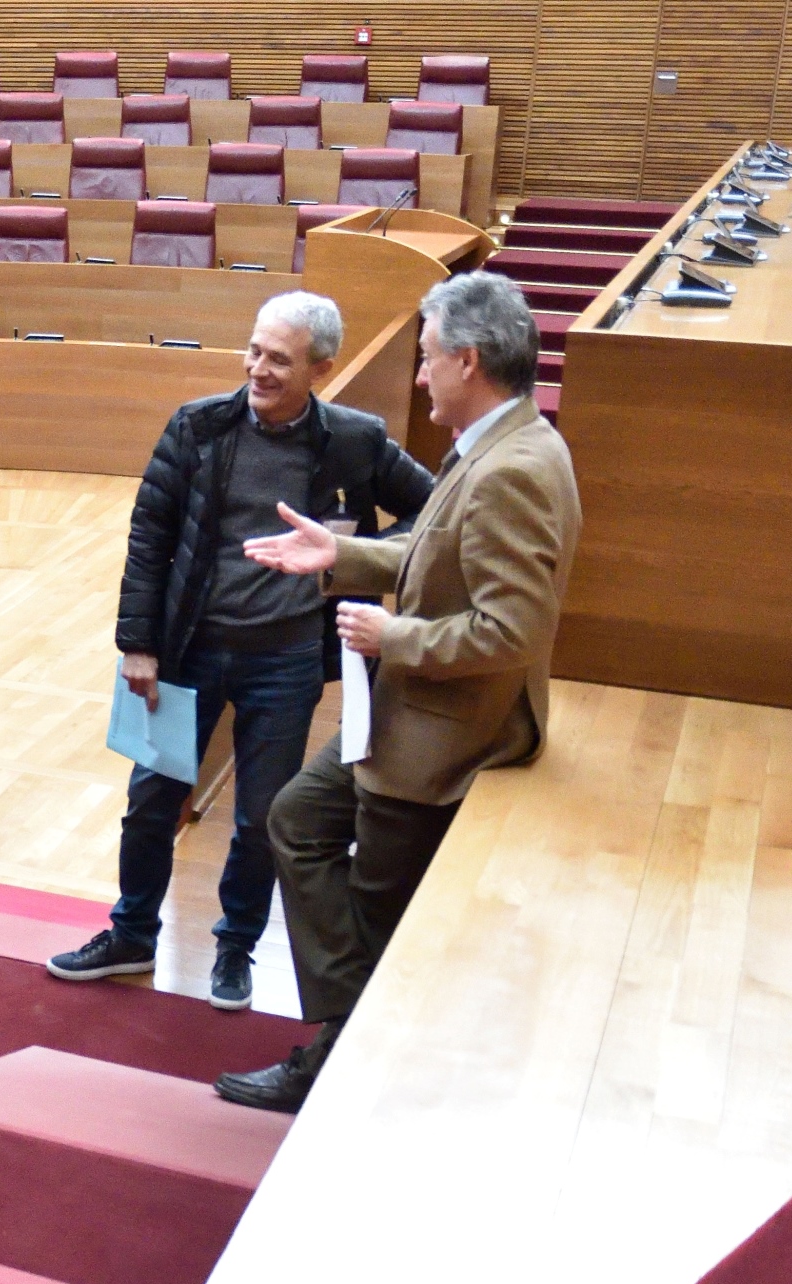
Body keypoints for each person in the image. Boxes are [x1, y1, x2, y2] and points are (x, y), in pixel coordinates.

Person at [214, 272, 582, 1110]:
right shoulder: (510, 439)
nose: (419, 378)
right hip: (420, 715)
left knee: (372, 909)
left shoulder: (509, 469)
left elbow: (511, 629)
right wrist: (342, 557)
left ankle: (351, 1053)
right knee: (297, 821)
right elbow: (437, 549)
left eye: (427, 361)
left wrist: (395, 636)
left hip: (438, 739)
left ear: (469, 360)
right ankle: (360, 1030)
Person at [47, 291, 434, 1010]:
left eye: (278, 360)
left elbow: (432, 506)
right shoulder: (196, 426)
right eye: (254, 351)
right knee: (151, 802)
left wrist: (352, 556)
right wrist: (138, 644)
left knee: (262, 819)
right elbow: (150, 539)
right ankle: (131, 934)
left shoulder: (354, 440)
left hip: (285, 664)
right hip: (188, 651)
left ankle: (235, 948)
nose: (257, 369)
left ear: (321, 367)